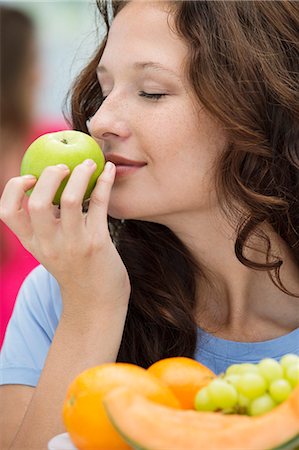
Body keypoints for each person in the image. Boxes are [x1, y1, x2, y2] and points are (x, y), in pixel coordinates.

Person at [0, 0, 298, 447]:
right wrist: (92, 309)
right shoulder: (58, 294)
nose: (99, 121)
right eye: (105, 89)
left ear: (259, 108)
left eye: (152, 91)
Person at [0, 5, 68, 348]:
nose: (40, 75)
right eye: (34, 61)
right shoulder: (56, 144)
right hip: (47, 336)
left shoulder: (53, 142)